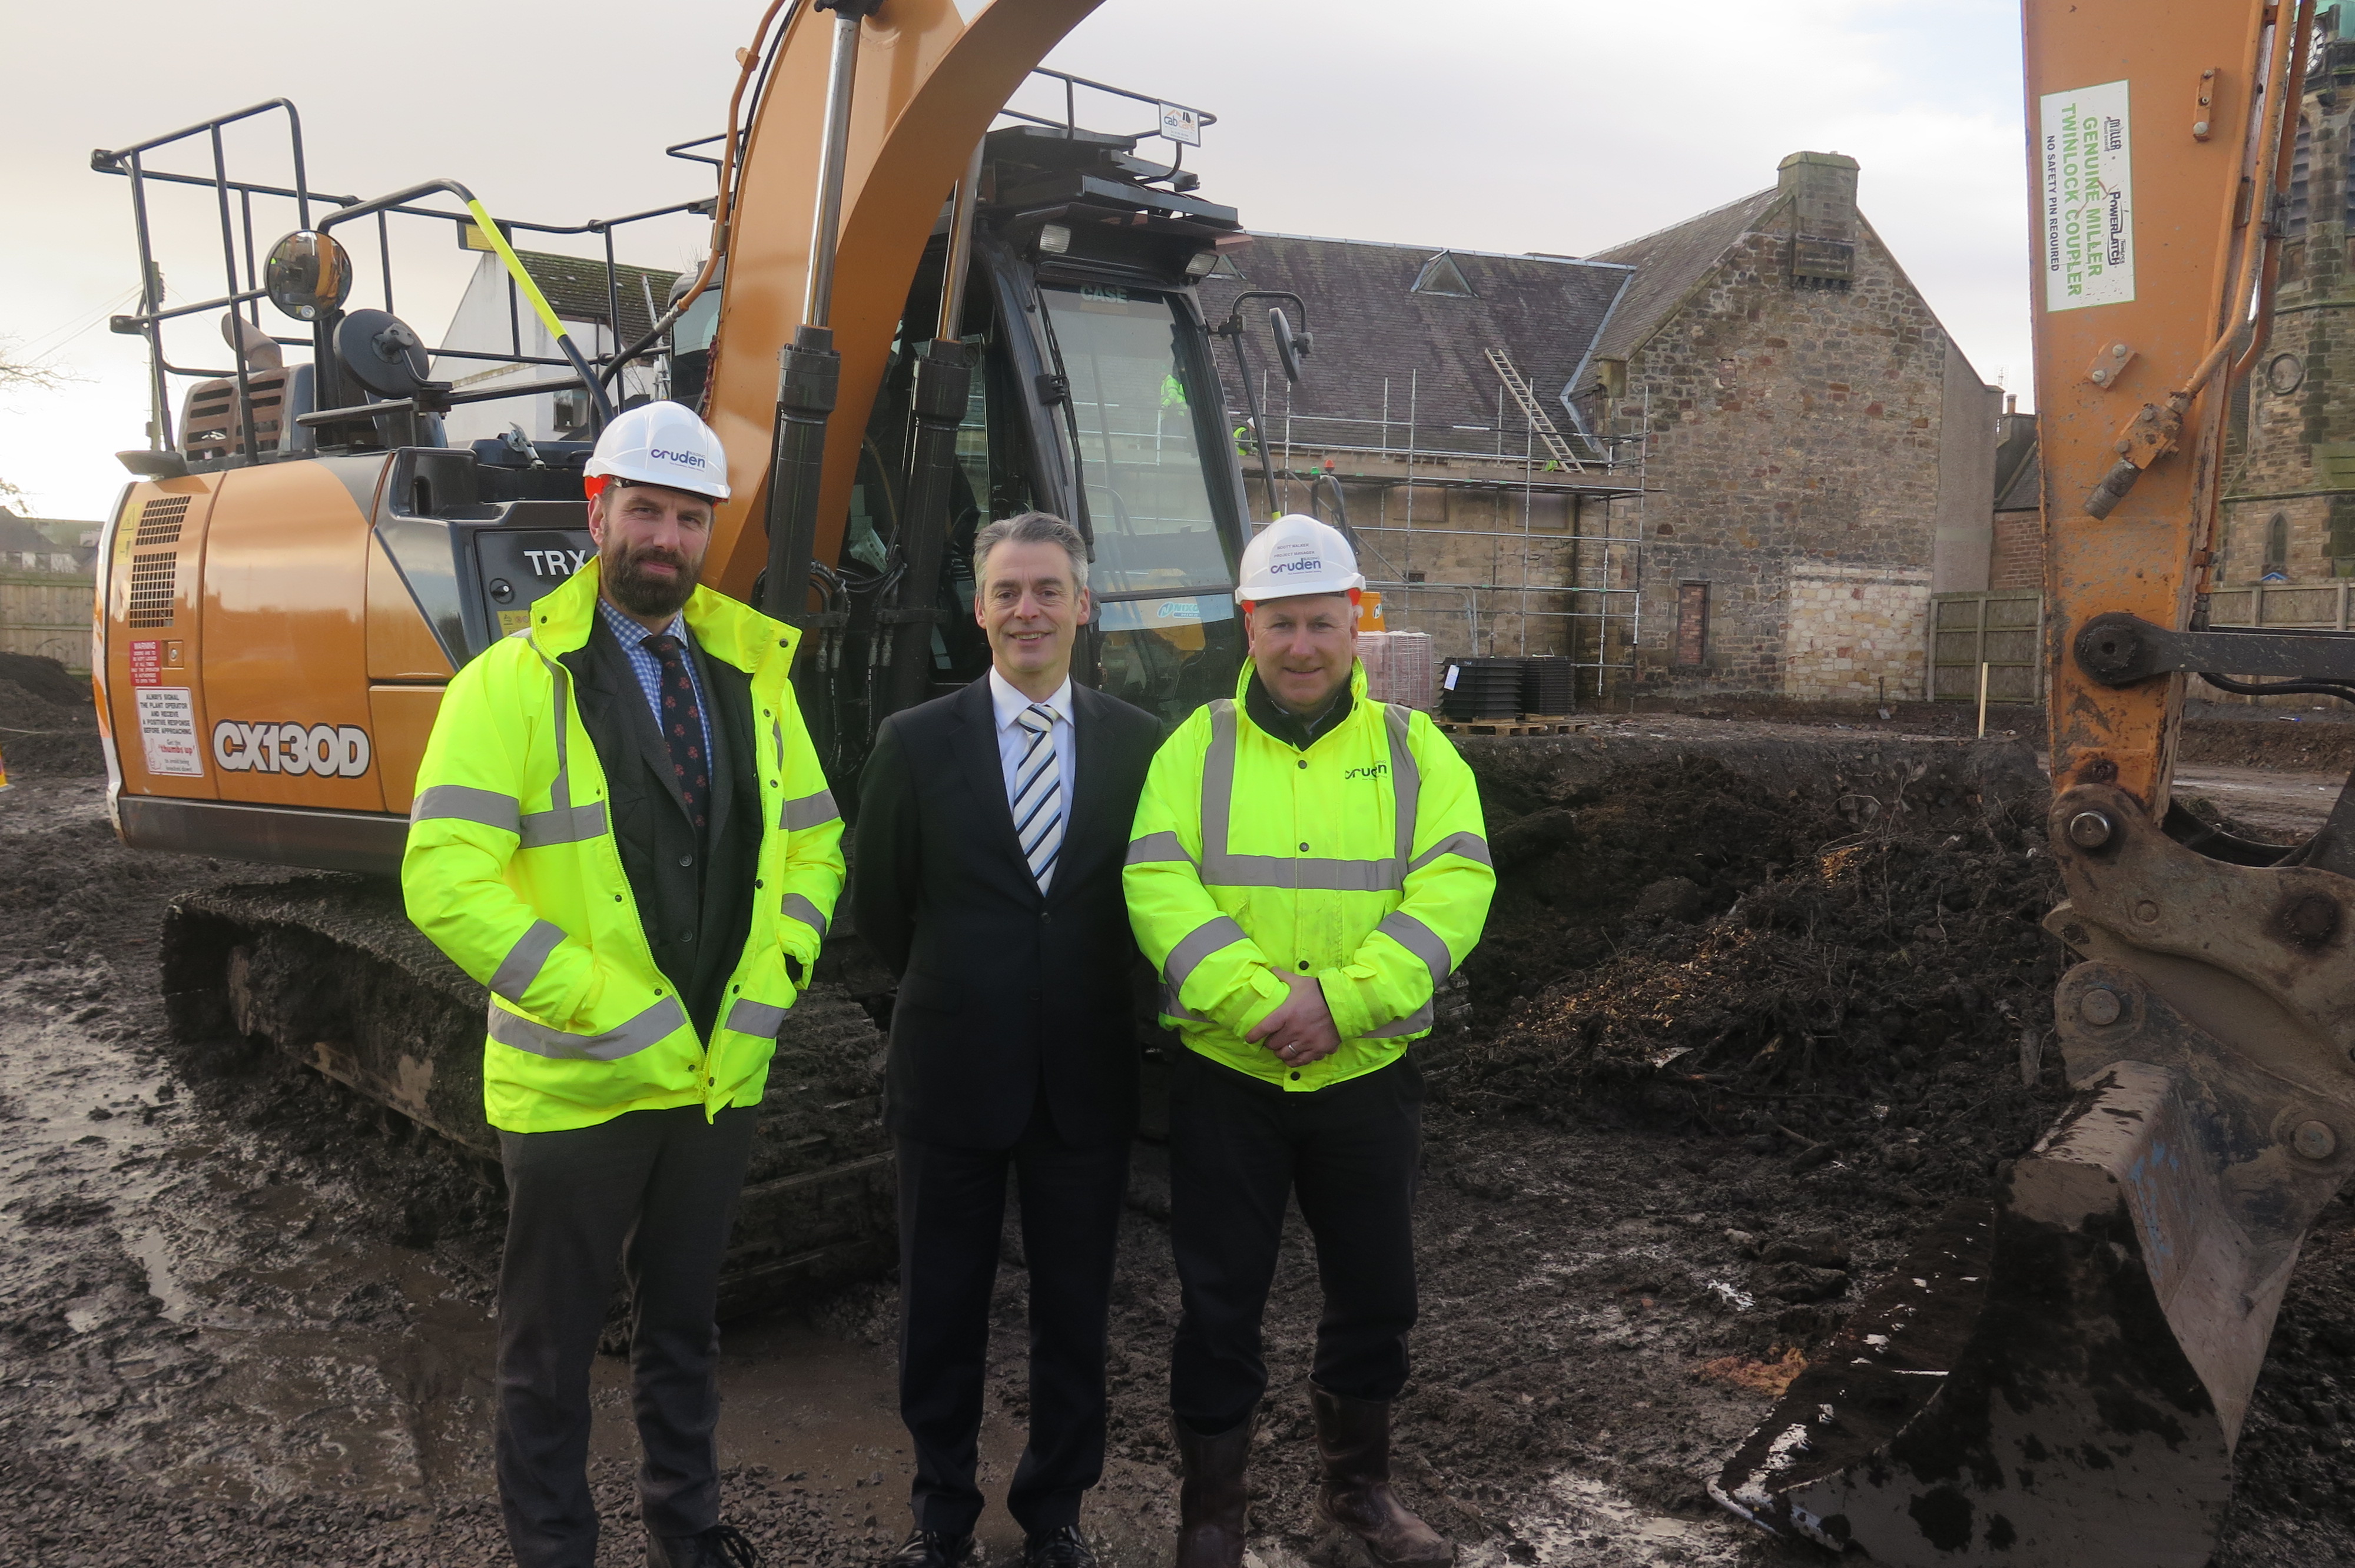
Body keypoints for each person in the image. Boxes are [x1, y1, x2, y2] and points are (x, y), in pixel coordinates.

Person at [402, 401, 844, 1568]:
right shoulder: (507, 685)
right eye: (644, 510)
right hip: (578, 1088)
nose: (665, 538)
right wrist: (605, 1005)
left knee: (685, 1330)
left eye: (688, 518)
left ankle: (686, 1535)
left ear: (710, 534)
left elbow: (815, 845)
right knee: (548, 1353)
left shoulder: (751, 676)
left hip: (710, 1079)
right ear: (598, 511)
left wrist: (779, 970)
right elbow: (444, 879)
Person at [1123, 515, 1494, 1568]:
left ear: (1355, 620)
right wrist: (1257, 1003)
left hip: (1366, 1074)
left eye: (1321, 624)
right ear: (1249, 626)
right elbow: (1157, 885)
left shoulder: (1417, 753)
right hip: (1228, 1077)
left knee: (1377, 1292)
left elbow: (1456, 890)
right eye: (1280, 624)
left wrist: (1341, 1001)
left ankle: (1358, 1497)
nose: (1301, 646)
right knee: (1217, 1300)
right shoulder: (1193, 748)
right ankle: (1213, 1518)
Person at [854, 511, 1164, 1568]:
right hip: (951, 1074)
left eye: (1047, 590)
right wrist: (966, 988)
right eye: (1006, 592)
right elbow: (884, 908)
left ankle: (1055, 1512)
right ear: (976, 608)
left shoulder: (1137, 743)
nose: (1027, 610)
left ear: (1083, 606)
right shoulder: (915, 743)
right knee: (941, 1308)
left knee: (1075, 1315)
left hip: (1086, 1077)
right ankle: (942, 1510)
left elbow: (1145, 904)